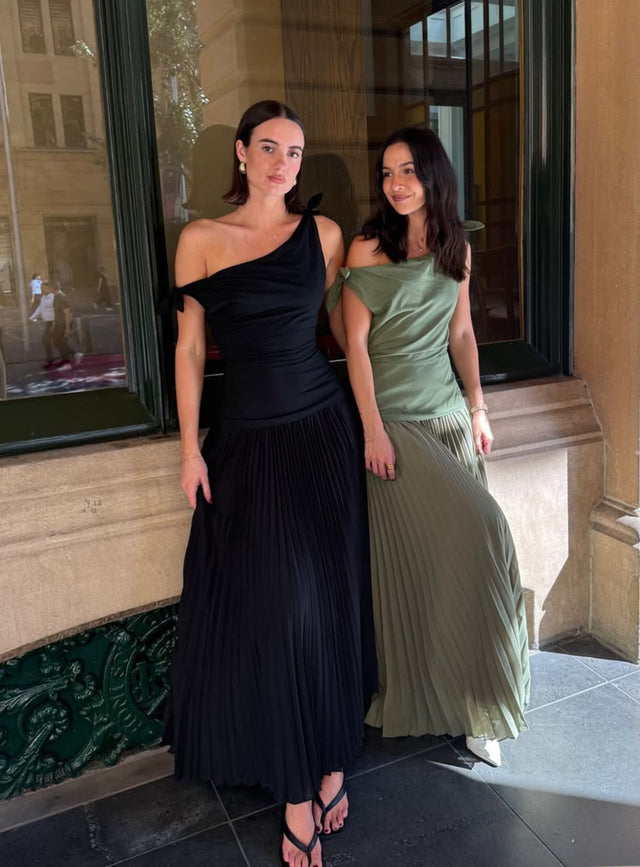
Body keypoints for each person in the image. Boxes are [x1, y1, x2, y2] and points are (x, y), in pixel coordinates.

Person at [162, 101, 375, 867]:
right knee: (282, 611)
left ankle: (331, 760)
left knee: (332, 602)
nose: (285, 163)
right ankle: (294, 790)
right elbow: (190, 350)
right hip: (247, 446)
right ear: (242, 155)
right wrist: (190, 450)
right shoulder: (200, 240)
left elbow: (352, 334)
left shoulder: (324, 236)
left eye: (296, 152)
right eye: (271, 148)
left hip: (323, 434)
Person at [328, 127, 530, 769]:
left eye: (409, 170)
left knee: (455, 564)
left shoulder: (455, 246)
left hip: (448, 418)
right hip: (395, 426)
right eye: (387, 173)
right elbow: (355, 349)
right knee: (481, 533)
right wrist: (373, 430)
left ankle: (476, 703)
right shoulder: (366, 248)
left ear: (434, 175)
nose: (396, 184)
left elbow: (462, 333)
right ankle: (444, 694)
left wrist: (478, 407)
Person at [29, 280, 73, 370]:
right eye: (41, 288)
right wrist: (31, 318)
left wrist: (66, 327)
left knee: (49, 341)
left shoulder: (55, 297)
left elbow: (65, 312)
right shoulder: (43, 297)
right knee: (57, 341)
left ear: (50, 288)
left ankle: (55, 360)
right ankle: (70, 355)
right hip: (51, 322)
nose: (42, 290)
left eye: (44, 288)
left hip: (54, 321)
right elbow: (40, 308)